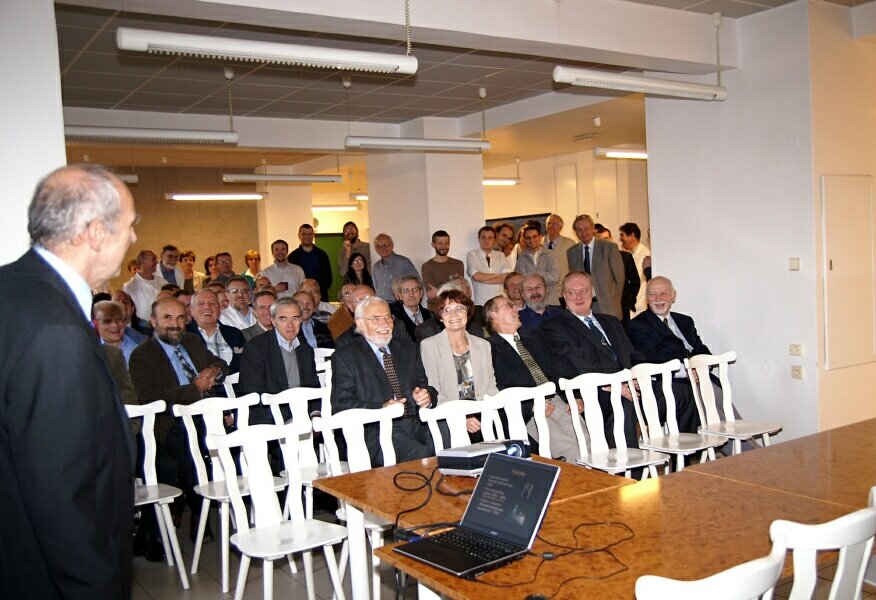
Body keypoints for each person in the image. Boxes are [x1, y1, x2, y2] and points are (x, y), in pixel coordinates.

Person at [0, 164, 137, 599]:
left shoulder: (13, 289)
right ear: (96, 232)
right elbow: (64, 496)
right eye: (130, 226)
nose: (133, 238)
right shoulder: (55, 332)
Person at [129, 297, 228, 542]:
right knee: (189, 444)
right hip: (169, 423)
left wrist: (214, 371)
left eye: (181, 318)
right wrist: (194, 388)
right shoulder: (142, 355)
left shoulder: (192, 341)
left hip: (206, 415)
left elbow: (220, 363)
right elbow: (152, 399)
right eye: (168, 318)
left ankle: (202, 507)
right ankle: (198, 512)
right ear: (153, 321)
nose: (175, 324)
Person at [331, 296, 436, 466]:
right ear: (360, 324)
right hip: (377, 430)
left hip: (417, 422)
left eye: (388, 317)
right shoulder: (346, 357)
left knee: (450, 440)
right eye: (376, 319)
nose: (385, 323)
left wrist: (427, 396)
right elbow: (341, 404)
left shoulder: (407, 348)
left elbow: (425, 386)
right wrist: (381, 408)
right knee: (421, 454)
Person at [483, 295, 581, 462]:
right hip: (529, 410)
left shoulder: (534, 336)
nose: (516, 309)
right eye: (509, 306)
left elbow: (558, 367)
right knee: (570, 450)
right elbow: (497, 388)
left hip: (557, 400)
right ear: (493, 314)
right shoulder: (488, 348)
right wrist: (531, 406)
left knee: (588, 443)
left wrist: (575, 395)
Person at [420, 290, 499, 444]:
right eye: (447, 310)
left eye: (460, 308)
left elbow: (491, 386)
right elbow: (435, 391)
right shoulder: (430, 345)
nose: (454, 314)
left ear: (468, 313)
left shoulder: (483, 345)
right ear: (440, 317)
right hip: (449, 414)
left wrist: (493, 411)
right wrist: (463, 416)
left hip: (482, 411)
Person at [238, 297, 319, 424]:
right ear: (273, 321)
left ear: (301, 320)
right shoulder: (256, 348)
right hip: (268, 420)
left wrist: (315, 415)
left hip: (301, 417)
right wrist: (283, 421)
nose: (290, 325)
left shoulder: (305, 350)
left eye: (295, 318)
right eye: (283, 319)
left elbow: (313, 388)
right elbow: (252, 394)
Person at [567, 214, 625, 319]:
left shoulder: (609, 247)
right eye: (579, 230)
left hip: (608, 306)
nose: (583, 233)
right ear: (575, 232)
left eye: (587, 229)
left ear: (593, 229)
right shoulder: (571, 252)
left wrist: (614, 300)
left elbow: (619, 278)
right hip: (583, 306)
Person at [189, 288, 246, 374]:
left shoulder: (234, 334)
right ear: (192, 310)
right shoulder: (185, 335)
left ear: (219, 309)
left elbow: (244, 363)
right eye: (201, 303)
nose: (207, 307)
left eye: (212, 303)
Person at [596, 226, 641, 324]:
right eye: (600, 239)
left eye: (606, 238)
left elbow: (635, 281)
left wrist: (628, 300)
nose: (604, 242)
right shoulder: (594, 261)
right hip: (602, 307)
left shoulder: (626, 257)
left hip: (622, 307)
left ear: (611, 238)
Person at [421, 229, 465, 314]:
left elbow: (460, 290)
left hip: (455, 308)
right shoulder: (427, 266)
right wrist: (452, 287)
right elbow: (431, 294)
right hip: (435, 309)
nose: (444, 246)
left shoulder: (458, 264)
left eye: (446, 243)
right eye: (440, 243)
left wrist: (439, 290)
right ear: (433, 245)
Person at [123, 249, 167, 330]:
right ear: (142, 262)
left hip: (162, 326)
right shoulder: (130, 287)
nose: (157, 262)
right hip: (141, 328)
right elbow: (127, 311)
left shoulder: (163, 282)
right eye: (153, 259)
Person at [466, 225, 509, 305]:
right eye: (483, 237)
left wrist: (484, 279)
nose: (487, 240)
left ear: (494, 240)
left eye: (490, 237)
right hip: (481, 303)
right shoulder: (472, 255)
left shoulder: (501, 255)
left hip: (501, 302)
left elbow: (507, 277)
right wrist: (498, 275)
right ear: (479, 239)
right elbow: (476, 276)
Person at [290, 223, 333, 302]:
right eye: (304, 234)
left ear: (313, 235)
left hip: (321, 298)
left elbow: (328, 278)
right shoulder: (292, 257)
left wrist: (318, 291)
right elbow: (292, 280)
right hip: (301, 300)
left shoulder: (322, 255)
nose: (307, 237)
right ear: (299, 235)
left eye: (309, 234)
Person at [516, 224, 560, 300]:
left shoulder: (551, 254)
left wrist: (533, 274)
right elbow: (520, 279)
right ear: (525, 240)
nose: (532, 240)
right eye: (528, 238)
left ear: (540, 237)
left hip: (550, 300)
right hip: (530, 301)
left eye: (534, 236)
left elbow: (554, 277)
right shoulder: (521, 257)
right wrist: (544, 275)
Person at [371, 233, 418, 302]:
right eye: (378, 246)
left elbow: (417, 282)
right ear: (375, 249)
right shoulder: (376, 267)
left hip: (399, 305)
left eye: (385, 245)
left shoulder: (404, 262)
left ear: (392, 245)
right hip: (382, 305)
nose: (382, 248)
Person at [93, 299, 142, 364]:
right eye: (107, 321)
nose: (115, 325)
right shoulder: (88, 349)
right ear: (95, 323)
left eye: (119, 320)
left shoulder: (137, 353)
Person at [619, 222, 651, 317]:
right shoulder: (631, 253)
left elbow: (637, 277)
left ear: (632, 235)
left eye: (622, 235)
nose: (620, 238)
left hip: (639, 301)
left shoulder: (644, 254)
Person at [543, 214, 576, 305]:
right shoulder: (538, 244)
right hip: (543, 293)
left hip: (563, 292)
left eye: (554, 224)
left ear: (560, 227)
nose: (550, 226)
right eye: (548, 223)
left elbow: (574, 267)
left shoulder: (570, 244)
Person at [389, 274, 433, 342]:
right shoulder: (394, 319)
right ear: (400, 295)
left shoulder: (431, 315)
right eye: (406, 291)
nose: (411, 294)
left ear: (421, 293)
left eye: (415, 290)